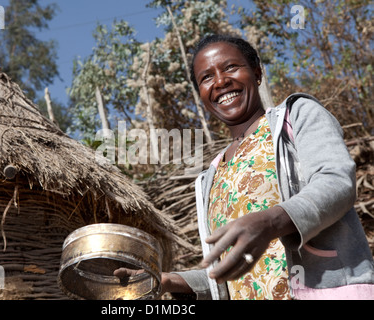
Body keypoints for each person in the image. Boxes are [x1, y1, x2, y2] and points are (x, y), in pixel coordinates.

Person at [115, 34, 374, 300]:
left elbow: (336, 181)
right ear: (202, 95)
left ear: (257, 73)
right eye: (206, 77)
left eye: (230, 67)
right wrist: (169, 280)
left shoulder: (296, 117)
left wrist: (271, 221)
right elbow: (228, 273)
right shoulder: (210, 179)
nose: (220, 81)